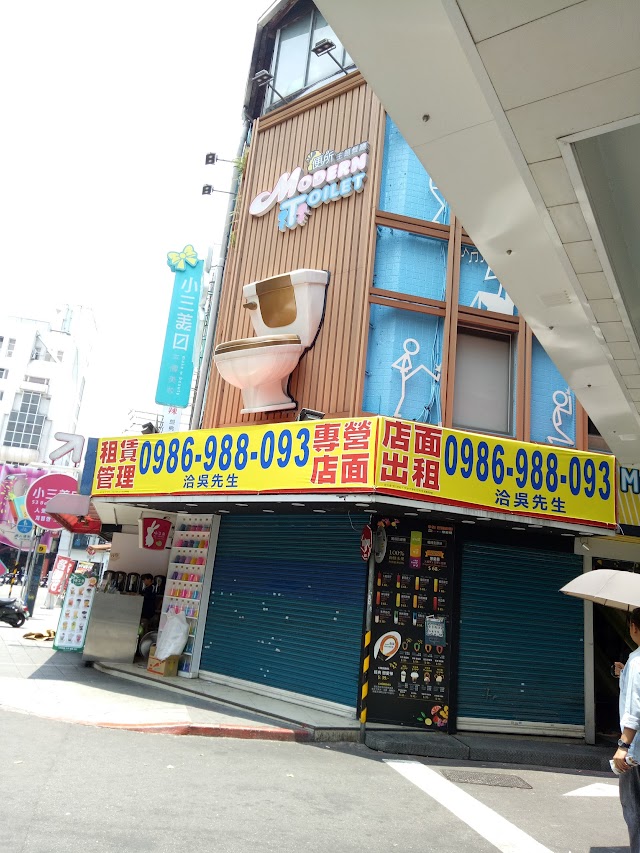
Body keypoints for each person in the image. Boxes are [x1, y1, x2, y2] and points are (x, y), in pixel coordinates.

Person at [613, 607, 640, 852]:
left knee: (633, 808)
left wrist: (623, 746)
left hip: (637, 752)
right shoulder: (632, 664)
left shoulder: (637, 661)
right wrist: (624, 675)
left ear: (634, 627)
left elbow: (635, 708)